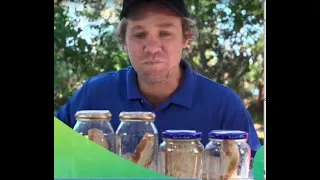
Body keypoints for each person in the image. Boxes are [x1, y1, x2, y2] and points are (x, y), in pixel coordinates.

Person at [55, 0, 261, 158]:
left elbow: (253, 169)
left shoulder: (224, 106)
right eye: (140, 35)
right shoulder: (95, 94)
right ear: (124, 42)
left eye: (165, 33)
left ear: (186, 38)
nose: (152, 48)